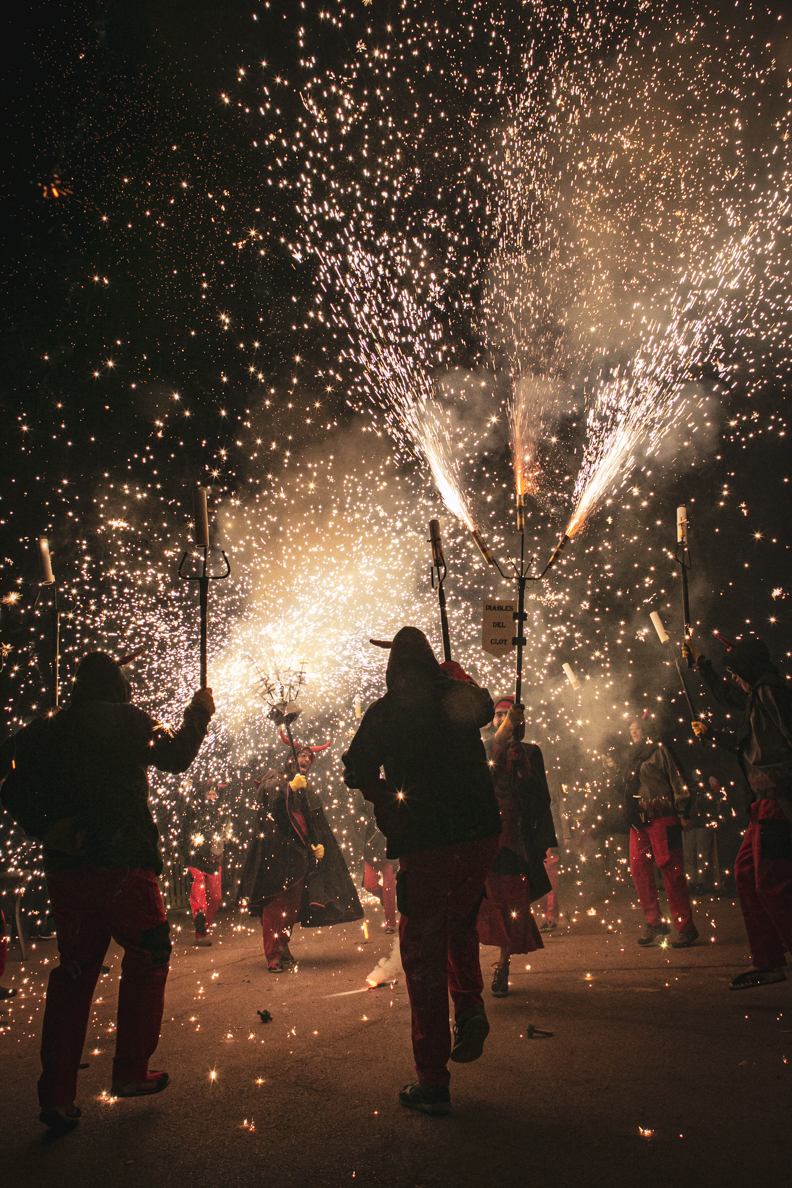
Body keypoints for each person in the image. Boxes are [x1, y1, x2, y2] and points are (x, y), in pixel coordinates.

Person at [0, 651, 214, 1132]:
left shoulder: (47, 729)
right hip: (123, 865)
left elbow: (7, 784)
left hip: (67, 871)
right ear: (116, 685)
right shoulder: (126, 721)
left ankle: (55, 1095)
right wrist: (198, 713)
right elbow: (177, 757)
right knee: (149, 953)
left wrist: (45, 828)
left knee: (74, 973)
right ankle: (131, 1070)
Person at [342, 627, 500, 1117]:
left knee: (422, 955)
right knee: (460, 924)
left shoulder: (386, 712)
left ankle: (432, 1080)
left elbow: (354, 770)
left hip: (427, 845)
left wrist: (385, 798)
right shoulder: (458, 696)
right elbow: (488, 707)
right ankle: (470, 1005)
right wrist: (457, 678)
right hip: (479, 837)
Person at [685, 635, 792, 988]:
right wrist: (703, 667)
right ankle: (767, 960)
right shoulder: (756, 697)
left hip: (778, 803)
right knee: (745, 874)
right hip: (762, 804)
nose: (734, 679)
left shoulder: (769, 692)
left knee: (772, 885)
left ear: (748, 668)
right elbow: (730, 702)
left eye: (736, 671)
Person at [238, 739, 363, 971]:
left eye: (309, 757)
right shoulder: (275, 777)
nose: (305, 759)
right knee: (275, 906)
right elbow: (265, 798)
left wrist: (317, 843)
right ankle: (272, 954)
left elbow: (311, 819)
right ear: (290, 758)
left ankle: (283, 946)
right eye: (301, 755)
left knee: (292, 907)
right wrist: (288, 788)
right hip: (276, 856)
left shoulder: (307, 787)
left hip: (298, 856)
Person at [477, 697, 556, 996]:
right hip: (485, 837)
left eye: (508, 716)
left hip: (516, 841)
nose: (502, 719)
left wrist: (525, 772)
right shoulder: (483, 747)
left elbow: (540, 800)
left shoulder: (532, 752)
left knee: (511, 905)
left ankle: (503, 964)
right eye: (498, 715)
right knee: (481, 903)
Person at [623, 719, 698, 948]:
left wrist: (683, 811)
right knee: (638, 870)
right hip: (639, 820)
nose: (634, 732)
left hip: (664, 816)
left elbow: (678, 780)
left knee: (671, 871)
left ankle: (685, 927)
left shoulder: (661, 750)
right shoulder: (632, 756)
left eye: (638, 728)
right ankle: (655, 923)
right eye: (631, 729)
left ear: (647, 731)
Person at [181, 781, 230, 947]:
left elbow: (226, 834)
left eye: (213, 794)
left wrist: (222, 851)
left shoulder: (222, 812)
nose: (211, 797)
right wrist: (188, 853)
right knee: (199, 886)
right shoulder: (193, 809)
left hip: (214, 859)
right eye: (208, 793)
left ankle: (202, 928)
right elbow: (185, 832)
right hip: (196, 858)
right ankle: (199, 918)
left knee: (216, 898)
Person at [362, 803, 397, 933]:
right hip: (371, 852)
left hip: (390, 853)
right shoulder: (371, 803)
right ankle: (383, 897)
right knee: (369, 885)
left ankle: (390, 923)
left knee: (389, 890)